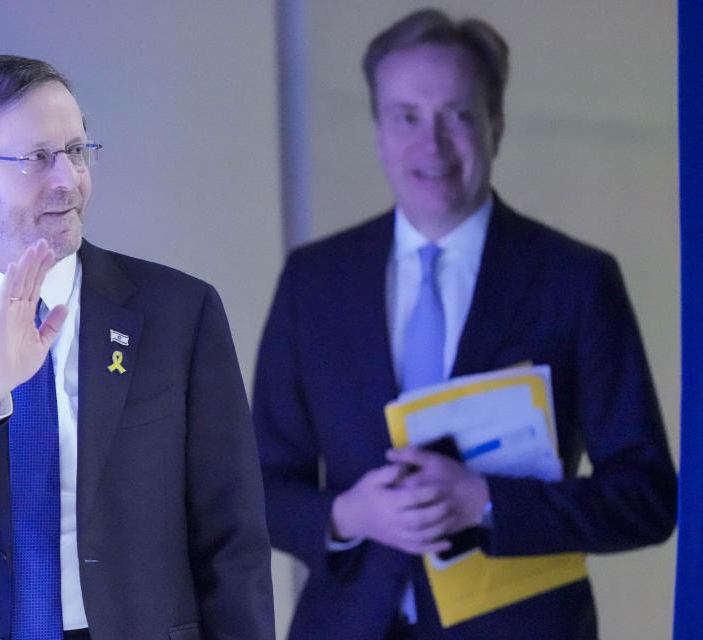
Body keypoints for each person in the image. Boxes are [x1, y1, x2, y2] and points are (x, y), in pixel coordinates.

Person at [253, 9, 676, 640]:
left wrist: (485, 500)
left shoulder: (577, 280)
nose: (432, 144)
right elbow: (252, 486)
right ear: (377, 130)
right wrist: (347, 514)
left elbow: (646, 498)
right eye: (406, 117)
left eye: (457, 114)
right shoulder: (314, 282)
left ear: (495, 125)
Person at [0, 54, 275, 640]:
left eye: (77, 151)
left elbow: (232, 531)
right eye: (37, 159)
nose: (69, 179)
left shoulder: (177, 312)